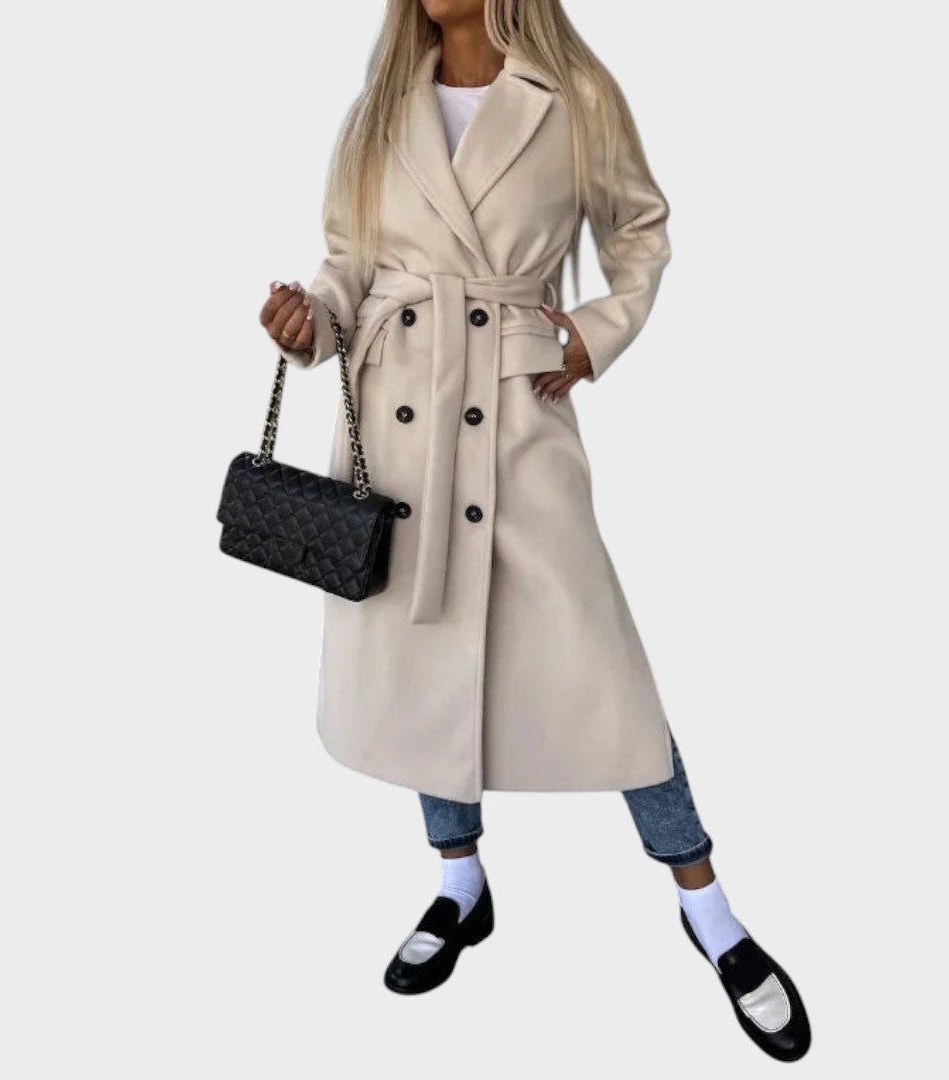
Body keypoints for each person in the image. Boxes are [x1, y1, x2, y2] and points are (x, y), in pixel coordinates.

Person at [258, 0, 810, 1061]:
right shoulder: (379, 105)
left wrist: (595, 335)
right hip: (400, 414)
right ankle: (459, 884)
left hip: (515, 413)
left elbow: (639, 229)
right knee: (422, 654)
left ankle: (708, 908)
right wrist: (309, 319)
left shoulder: (576, 96)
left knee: (604, 670)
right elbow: (347, 264)